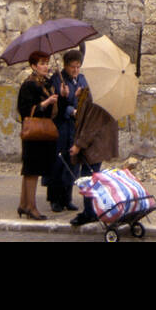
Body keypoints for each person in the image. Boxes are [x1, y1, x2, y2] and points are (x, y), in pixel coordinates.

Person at [67, 87, 121, 227]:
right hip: (100, 142)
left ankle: (90, 212)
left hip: (95, 144)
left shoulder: (98, 94)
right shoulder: (105, 92)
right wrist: (81, 97)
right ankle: (92, 210)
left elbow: (91, 124)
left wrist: (78, 145)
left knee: (88, 178)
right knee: (92, 176)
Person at [16, 51, 58, 221]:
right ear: (33, 66)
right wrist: (45, 103)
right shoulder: (29, 84)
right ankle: (31, 207)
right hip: (33, 132)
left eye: (47, 63)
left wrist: (59, 94)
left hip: (43, 132)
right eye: (41, 63)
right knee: (31, 170)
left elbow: (53, 110)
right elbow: (24, 109)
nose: (45, 66)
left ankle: (23, 204)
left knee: (31, 171)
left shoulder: (47, 84)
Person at [49, 49, 90, 213]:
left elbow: (85, 98)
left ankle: (67, 197)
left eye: (78, 67)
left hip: (75, 127)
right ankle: (54, 198)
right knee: (58, 161)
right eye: (72, 67)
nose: (75, 70)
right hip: (61, 126)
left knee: (72, 163)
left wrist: (80, 97)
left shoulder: (81, 79)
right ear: (66, 66)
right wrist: (68, 97)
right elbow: (59, 105)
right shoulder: (57, 80)